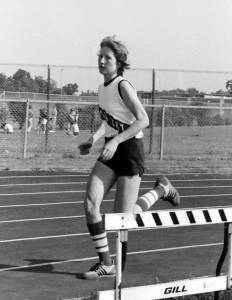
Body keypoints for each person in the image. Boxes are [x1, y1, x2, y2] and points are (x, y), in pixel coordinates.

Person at [78, 36, 180, 280]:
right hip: (111, 151)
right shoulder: (102, 88)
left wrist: (116, 140)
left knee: (121, 220)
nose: (102, 61)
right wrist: (93, 140)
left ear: (118, 62)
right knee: (91, 203)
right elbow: (108, 120)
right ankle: (106, 263)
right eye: (99, 56)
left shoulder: (123, 85)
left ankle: (160, 190)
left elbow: (143, 119)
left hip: (129, 150)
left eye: (107, 58)